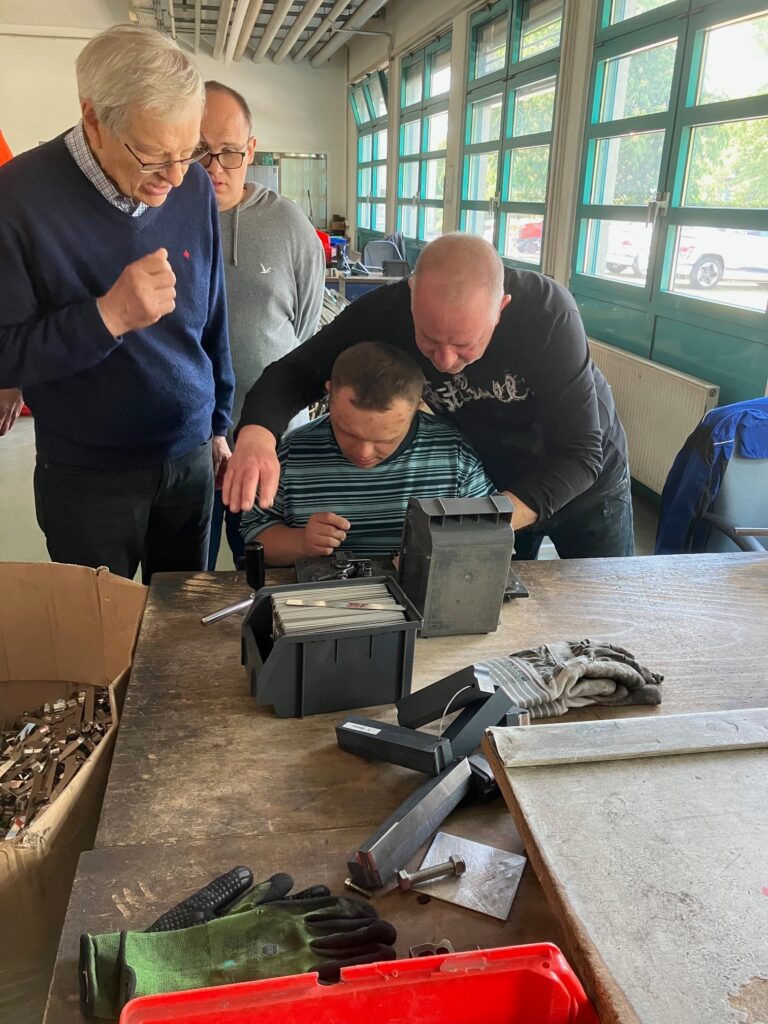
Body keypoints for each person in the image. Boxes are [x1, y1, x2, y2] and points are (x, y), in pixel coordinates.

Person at [225, 233, 632, 560]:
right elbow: (294, 374)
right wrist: (257, 436)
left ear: (501, 308)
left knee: (603, 607)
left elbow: (581, 454)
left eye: (465, 345)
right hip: (496, 479)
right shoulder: (384, 311)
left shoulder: (547, 315)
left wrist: (477, 524)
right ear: (412, 294)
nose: (445, 360)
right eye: (429, 339)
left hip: (585, 485)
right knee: (505, 610)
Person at [0, 25, 234, 581]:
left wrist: (220, 421)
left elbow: (213, 314)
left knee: (182, 620)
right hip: (88, 474)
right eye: (153, 157)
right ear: (93, 120)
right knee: (99, 628)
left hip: (191, 455)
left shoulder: (193, 187)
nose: (176, 177)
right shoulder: (17, 197)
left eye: (189, 152)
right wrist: (106, 318)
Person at [200, 81, 325, 570]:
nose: (214, 167)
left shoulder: (289, 225)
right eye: (200, 150)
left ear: (250, 150)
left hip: (274, 445)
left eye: (229, 152)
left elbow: (305, 331)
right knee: (185, 574)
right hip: (188, 447)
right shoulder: (162, 220)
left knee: (268, 570)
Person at [240, 342, 497, 563]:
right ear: (330, 396)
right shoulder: (292, 452)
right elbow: (254, 533)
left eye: (386, 439)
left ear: (417, 407)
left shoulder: (454, 454)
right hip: (320, 597)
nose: (364, 453)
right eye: (348, 432)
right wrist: (300, 542)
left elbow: (487, 533)